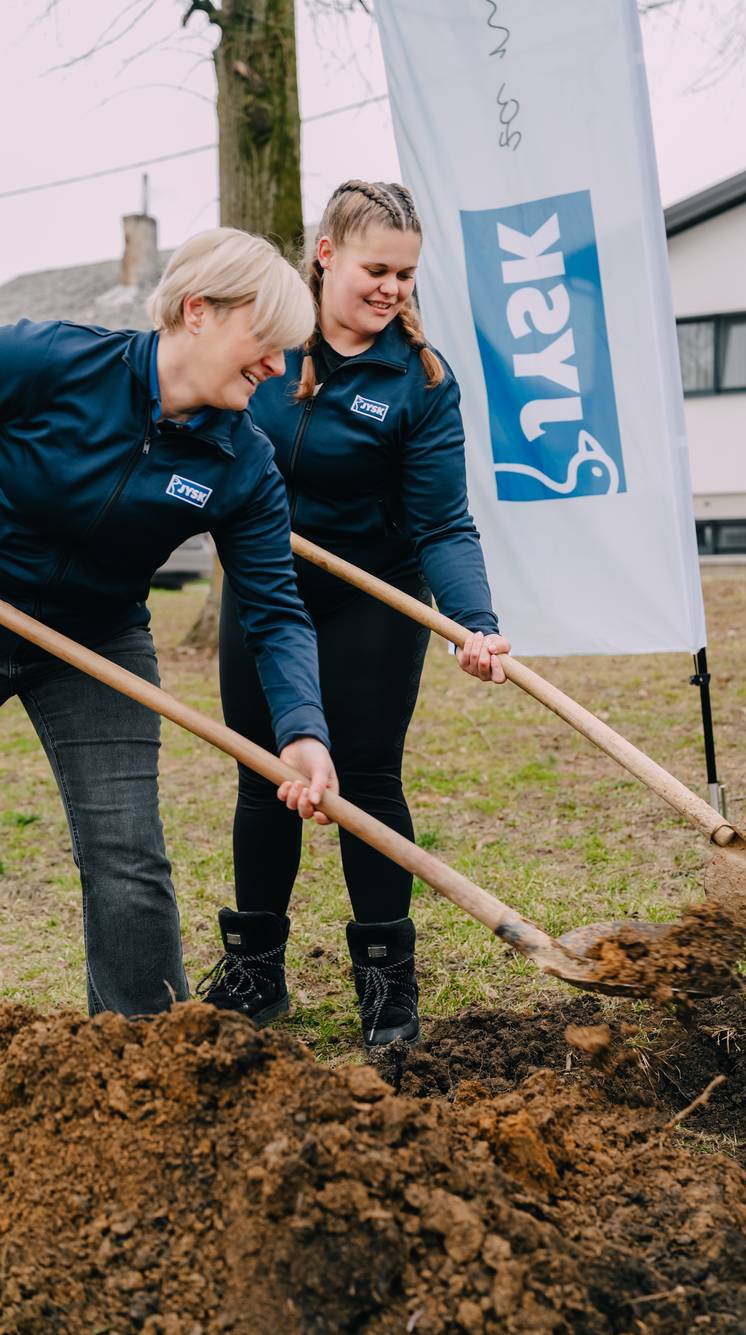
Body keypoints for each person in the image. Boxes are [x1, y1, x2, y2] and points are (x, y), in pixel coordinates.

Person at [0, 228, 336, 1019]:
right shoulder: (54, 362)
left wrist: (302, 730)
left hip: (95, 638)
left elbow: (277, 609)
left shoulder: (241, 462)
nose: (278, 366)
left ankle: (152, 1061)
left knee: (128, 858)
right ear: (198, 311)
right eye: (266, 341)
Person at [208, 180, 511, 1047]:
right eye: (377, 267)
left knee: (367, 778)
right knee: (263, 774)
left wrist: (471, 617)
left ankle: (386, 983)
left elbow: (443, 521)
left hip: (372, 596)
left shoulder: (418, 379)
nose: (391, 288)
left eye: (406, 275)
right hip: (266, 589)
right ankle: (257, 971)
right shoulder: (264, 340)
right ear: (327, 253)